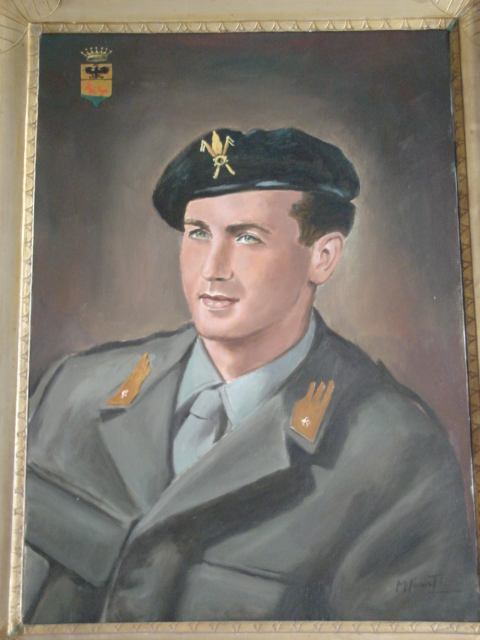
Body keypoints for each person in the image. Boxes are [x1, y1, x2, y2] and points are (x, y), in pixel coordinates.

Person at [23, 128, 478, 623]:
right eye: (198, 232)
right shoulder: (75, 392)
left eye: (247, 238)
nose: (212, 268)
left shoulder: (394, 452)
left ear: (323, 257)